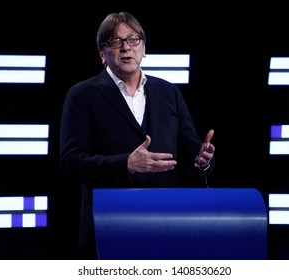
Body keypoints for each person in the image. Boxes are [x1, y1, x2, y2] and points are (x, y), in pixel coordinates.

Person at [59, 11, 216, 259]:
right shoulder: (82, 95)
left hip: (167, 224)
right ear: (102, 54)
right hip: (109, 226)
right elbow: (70, 164)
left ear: (143, 48)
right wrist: (127, 164)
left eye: (133, 39)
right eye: (114, 41)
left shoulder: (168, 92)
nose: (125, 48)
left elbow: (190, 155)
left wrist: (202, 161)